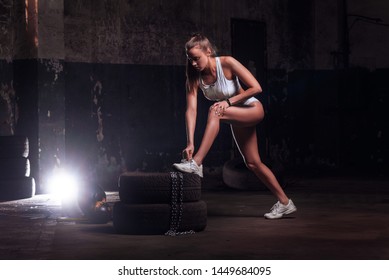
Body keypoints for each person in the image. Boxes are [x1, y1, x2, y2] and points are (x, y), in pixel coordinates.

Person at [173, 33, 296, 219]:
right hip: (233, 115)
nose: (193, 64)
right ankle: (285, 203)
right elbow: (191, 110)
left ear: (208, 52)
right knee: (253, 163)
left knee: (215, 110)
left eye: (197, 59)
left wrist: (228, 102)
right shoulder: (194, 77)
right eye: (190, 59)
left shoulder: (227, 63)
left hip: (252, 108)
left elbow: (256, 88)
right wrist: (190, 142)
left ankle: (197, 163)